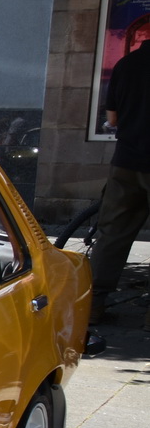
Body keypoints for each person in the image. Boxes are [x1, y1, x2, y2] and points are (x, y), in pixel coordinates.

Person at [90, 25, 150, 325]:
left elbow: (112, 117)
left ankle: (94, 303)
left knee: (112, 233)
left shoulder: (125, 65)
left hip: (127, 161)